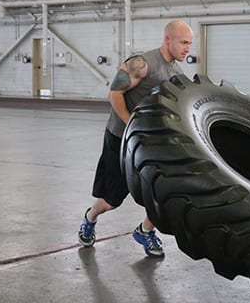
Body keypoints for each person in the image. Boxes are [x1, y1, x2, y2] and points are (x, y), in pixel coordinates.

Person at [78, 20, 194, 257]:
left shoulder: (176, 73)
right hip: (120, 138)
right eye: (183, 42)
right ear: (168, 40)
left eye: (190, 44)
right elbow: (114, 93)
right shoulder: (142, 64)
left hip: (150, 143)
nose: (187, 48)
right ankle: (90, 218)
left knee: (164, 192)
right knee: (111, 201)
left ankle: (145, 231)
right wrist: (131, 123)